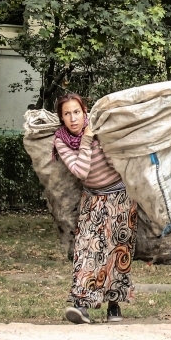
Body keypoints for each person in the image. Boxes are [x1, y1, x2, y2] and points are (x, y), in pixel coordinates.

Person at [52, 93, 137, 324]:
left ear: (85, 111)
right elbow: (81, 171)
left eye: (77, 112)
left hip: (120, 196)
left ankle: (114, 305)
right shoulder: (61, 140)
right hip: (92, 198)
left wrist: (99, 139)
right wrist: (87, 141)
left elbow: (119, 160)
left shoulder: (101, 126)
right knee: (86, 249)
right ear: (61, 118)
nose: (73, 118)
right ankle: (81, 305)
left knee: (116, 251)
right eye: (67, 114)